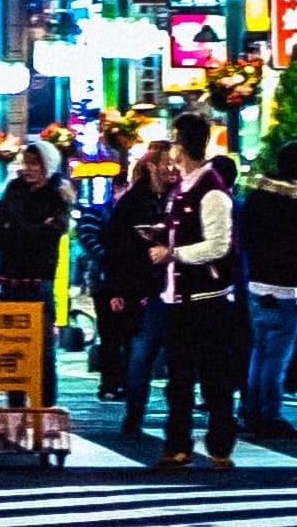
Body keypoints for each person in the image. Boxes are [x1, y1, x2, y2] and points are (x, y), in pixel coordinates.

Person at [143, 113, 244, 471]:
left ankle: (219, 445)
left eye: (173, 140)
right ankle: (178, 444)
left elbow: (219, 245)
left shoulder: (212, 189)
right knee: (179, 377)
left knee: (213, 376)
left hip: (207, 298)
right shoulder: (182, 187)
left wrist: (173, 252)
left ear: (182, 144)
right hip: (178, 295)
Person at [238, 135, 297, 435]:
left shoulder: (256, 199)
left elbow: (243, 238)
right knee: (276, 356)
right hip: (283, 286)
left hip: (256, 283)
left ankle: (251, 408)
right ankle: (269, 414)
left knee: (259, 351)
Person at [0, 136, 70, 406]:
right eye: (26, 162)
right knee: (11, 349)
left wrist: (18, 228)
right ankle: (15, 407)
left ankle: (45, 408)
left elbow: (51, 233)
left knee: (43, 351)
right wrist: (31, 229)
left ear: (48, 165)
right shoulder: (13, 189)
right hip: (10, 280)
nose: (29, 168)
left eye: (35, 163)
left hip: (38, 281)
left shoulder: (59, 194)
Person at [97, 140, 166, 423]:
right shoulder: (133, 202)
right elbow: (114, 247)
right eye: (165, 164)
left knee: (169, 352)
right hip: (142, 287)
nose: (171, 169)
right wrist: (116, 288)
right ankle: (134, 411)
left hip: (173, 285)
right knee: (140, 350)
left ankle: (175, 414)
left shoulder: (177, 197)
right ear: (151, 166)